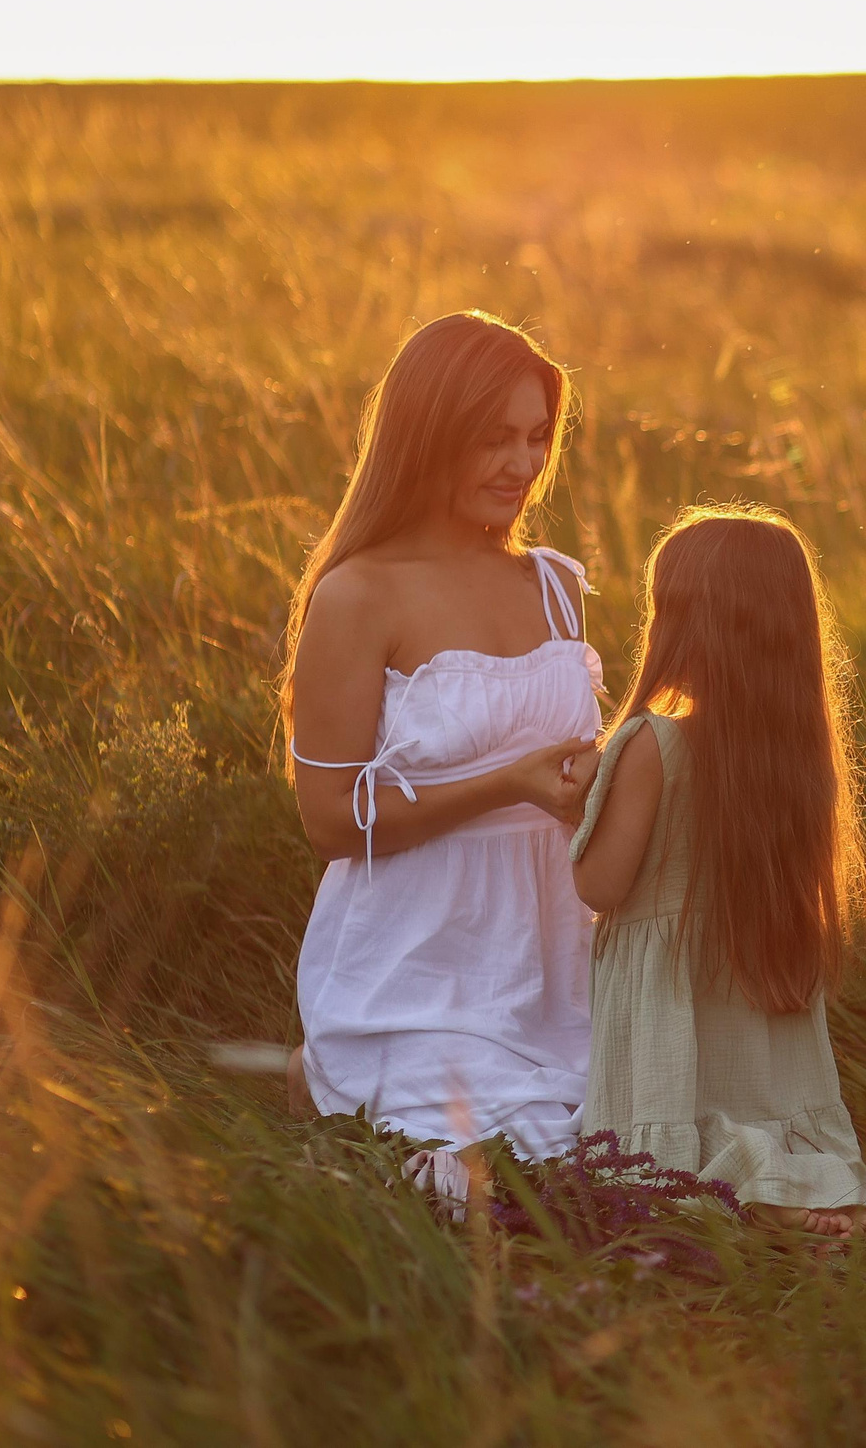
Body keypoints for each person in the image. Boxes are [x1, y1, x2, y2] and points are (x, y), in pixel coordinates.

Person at [283, 311, 603, 1169]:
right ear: (428, 435)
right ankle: (337, 1065)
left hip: (562, 966)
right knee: (500, 1174)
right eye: (494, 438)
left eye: (537, 437)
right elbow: (328, 819)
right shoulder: (358, 596)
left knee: (640, 1153)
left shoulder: (558, 585)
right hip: (418, 968)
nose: (524, 464)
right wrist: (510, 782)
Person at [570, 504, 866, 1236]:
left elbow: (599, 886)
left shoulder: (650, 744)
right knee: (755, 1115)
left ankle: (775, 1206)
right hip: (755, 996)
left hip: (671, 1006)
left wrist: (576, 801)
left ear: (682, 622)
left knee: (674, 1153)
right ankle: (814, 1190)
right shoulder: (795, 761)